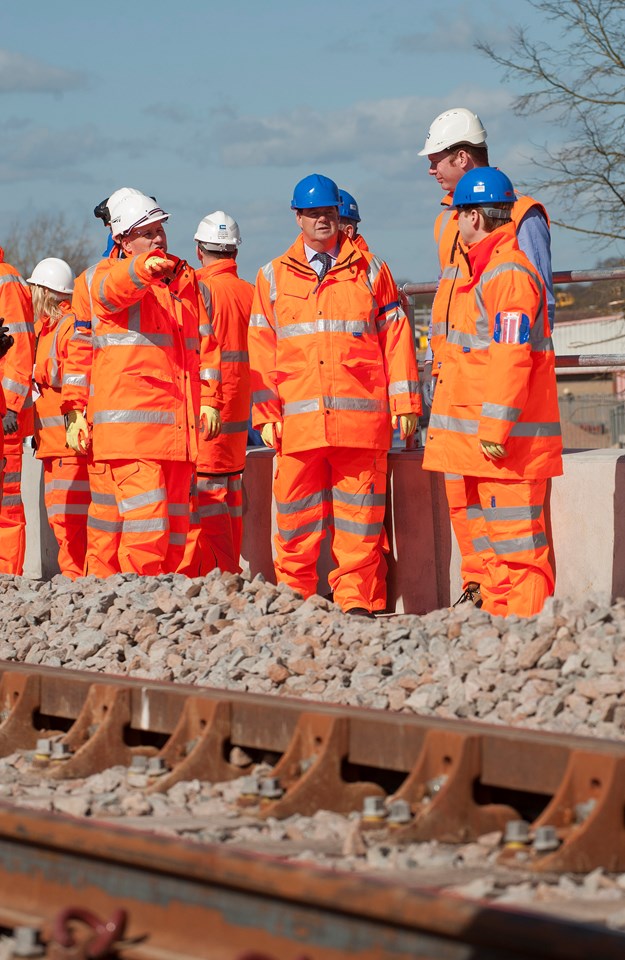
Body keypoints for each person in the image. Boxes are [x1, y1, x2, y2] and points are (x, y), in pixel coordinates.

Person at [248, 173, 420, 617]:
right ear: (298, 217)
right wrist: (265, 413)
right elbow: (261, 350)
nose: (322, 220)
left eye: (329, 212)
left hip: (360, 423)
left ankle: (357, 602)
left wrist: (406, 404)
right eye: (313, 213)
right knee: (294, 521)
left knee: (360, 519)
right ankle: (294, 600)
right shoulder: (271, 277)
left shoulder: (373, 270)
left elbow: (396, 338)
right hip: (298, 423)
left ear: (340, 214)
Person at [419, 106, 555, 606]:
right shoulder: (455, 238)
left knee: (515, 541)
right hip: (465, 408)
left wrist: (501, 418)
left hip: (500, 417)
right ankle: (488, 608)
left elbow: (524, 337)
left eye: (437, 159)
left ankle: (519, 631)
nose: (432, 170)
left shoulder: (519, 229)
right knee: (479, 525)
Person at [65, 187, 222, 576]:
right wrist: (73, 408)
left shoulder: (183, 281)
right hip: (132, 435)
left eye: (159, 231)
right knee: (145, 528)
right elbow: (111, 290)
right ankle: (137, 610)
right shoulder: (101, 278)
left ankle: (163, 614)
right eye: (146, 233)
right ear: (121, 240)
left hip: (177, 434)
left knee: (176, 534)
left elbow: (207, 346)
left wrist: (210, 399)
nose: (157, 239)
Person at [185, 210, 253, 575]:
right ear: (235, 253)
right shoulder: (252, 293)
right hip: (240, 418)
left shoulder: (196, 290)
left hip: (205, 411)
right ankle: (228, 572)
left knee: (204, 499)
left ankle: (220, 575)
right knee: (230, 495)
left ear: (199, 250)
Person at [30, 258, 90, 579]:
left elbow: (71, 372)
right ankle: (74, 582)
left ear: (48, 293)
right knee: (60, 520)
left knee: (71, 521)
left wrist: (35, 371)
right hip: (51, 446)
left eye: (35, 289)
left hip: (68, 446)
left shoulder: (68, 327)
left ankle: (78, 584)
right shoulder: (47, 328)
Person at [0, 249, 35, 575]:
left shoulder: (5, 279)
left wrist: (10, 405)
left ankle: (7, 579)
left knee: (5, 503)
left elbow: (18, 345)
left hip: (3, 418)